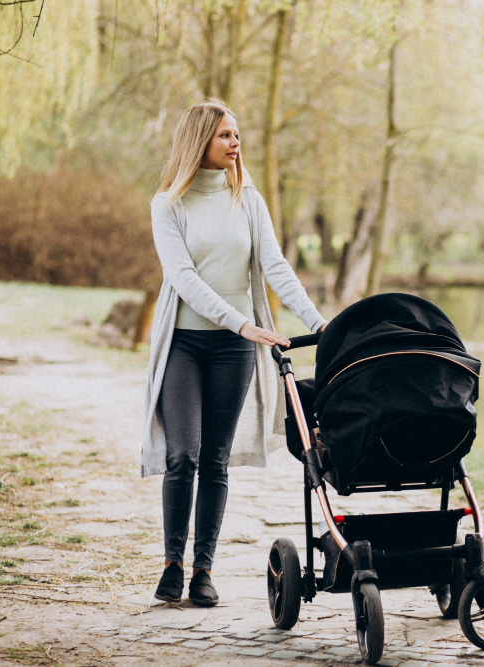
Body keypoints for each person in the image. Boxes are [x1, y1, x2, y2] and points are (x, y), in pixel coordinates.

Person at [140, 100, 327, 606]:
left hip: (233, 351)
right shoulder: (168, 204)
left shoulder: (249, 200)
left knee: (216, 461)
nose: (235, 143)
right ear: (200, 139)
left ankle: (204, 569)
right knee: (184, 455)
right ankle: (172, 564)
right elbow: (183, 278)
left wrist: (321, 324)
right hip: (183, 344)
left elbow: (276, 267)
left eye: (238, 135)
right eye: (225, 135)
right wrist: (242, 320)